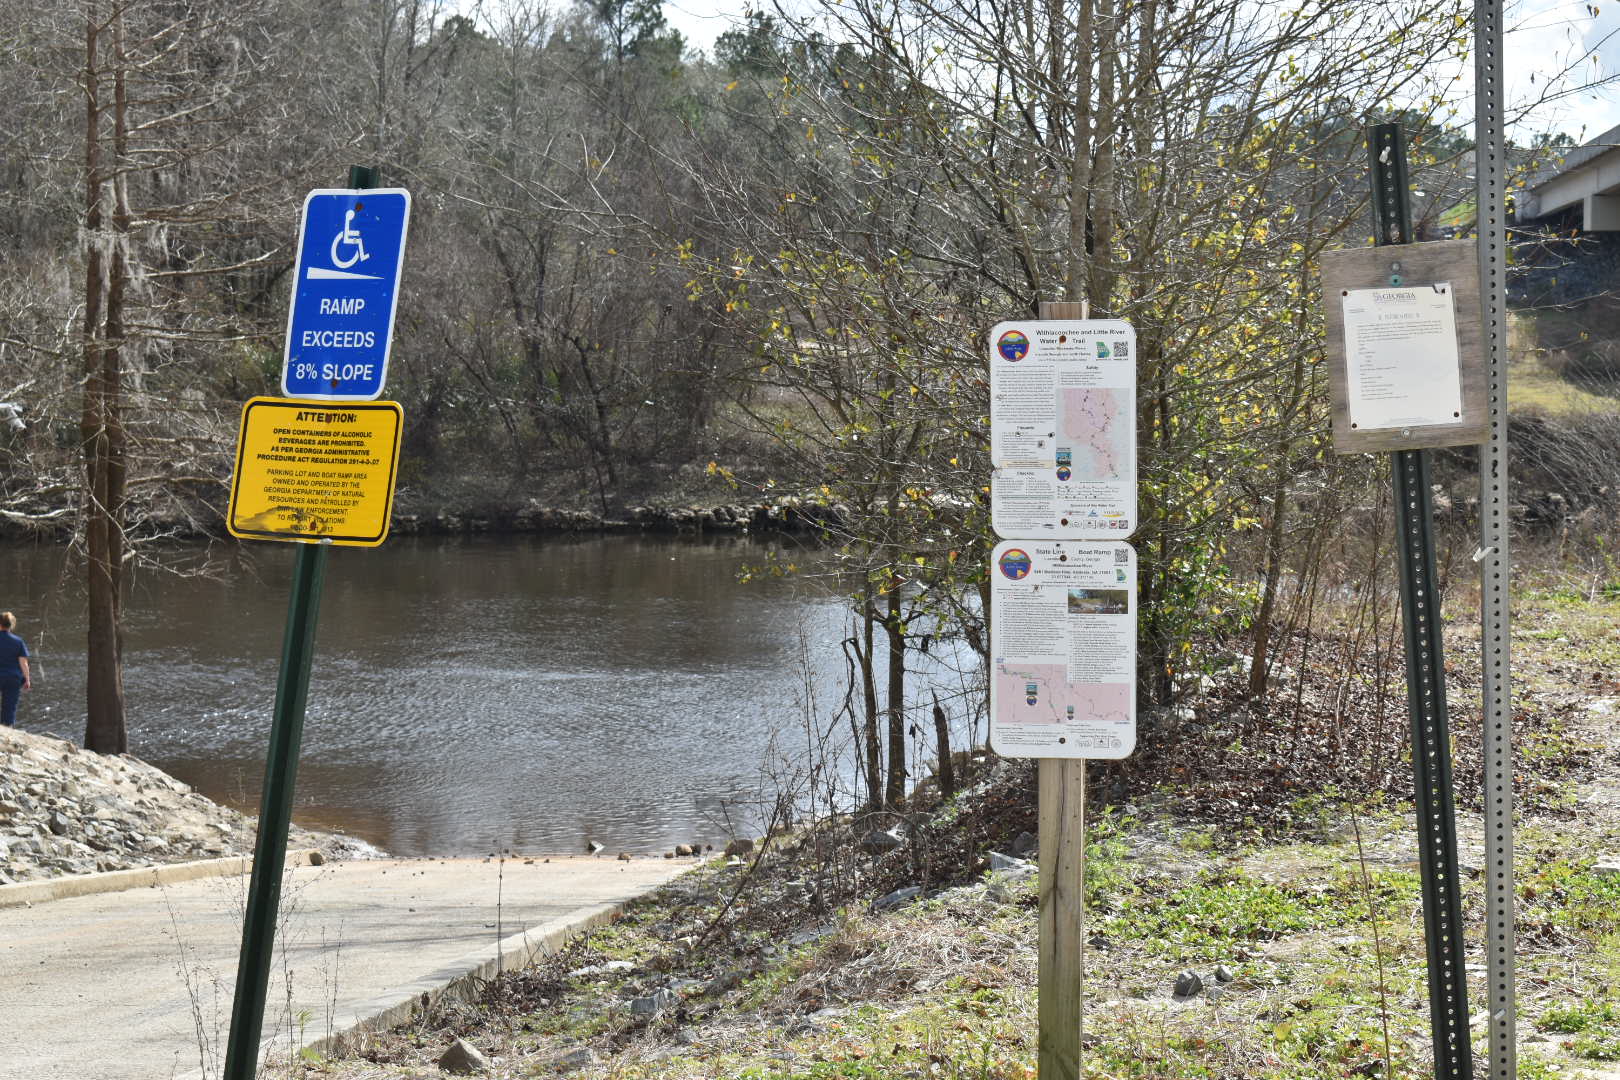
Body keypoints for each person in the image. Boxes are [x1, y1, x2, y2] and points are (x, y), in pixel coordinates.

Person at [0, 611, 31, 728]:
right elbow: (24, 663)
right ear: (11, 625)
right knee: (9, 707)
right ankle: (7, 730)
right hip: (13, 678)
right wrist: (27, 679)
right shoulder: (18, 641)